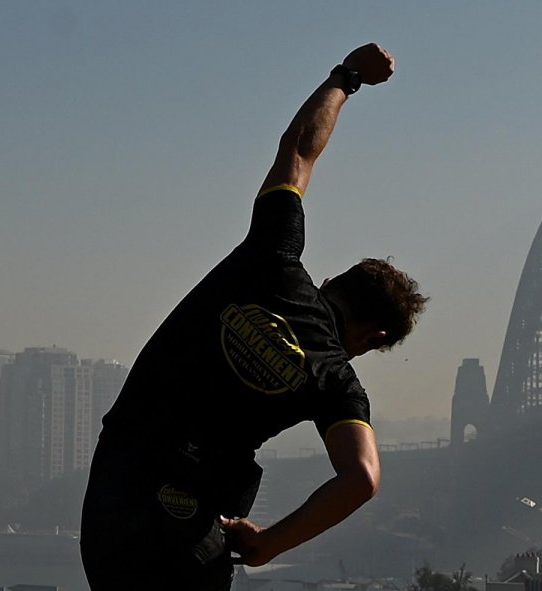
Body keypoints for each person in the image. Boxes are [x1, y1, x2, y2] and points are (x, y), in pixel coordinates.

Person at [80, 43, 426, 590]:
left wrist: (347, 76)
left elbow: (298, 153)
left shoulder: (274, 257)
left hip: (116, 492)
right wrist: (269, 543)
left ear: (333, 283)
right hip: (190, 530)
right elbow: (362, 478)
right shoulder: (337, 381)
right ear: (374, 337)